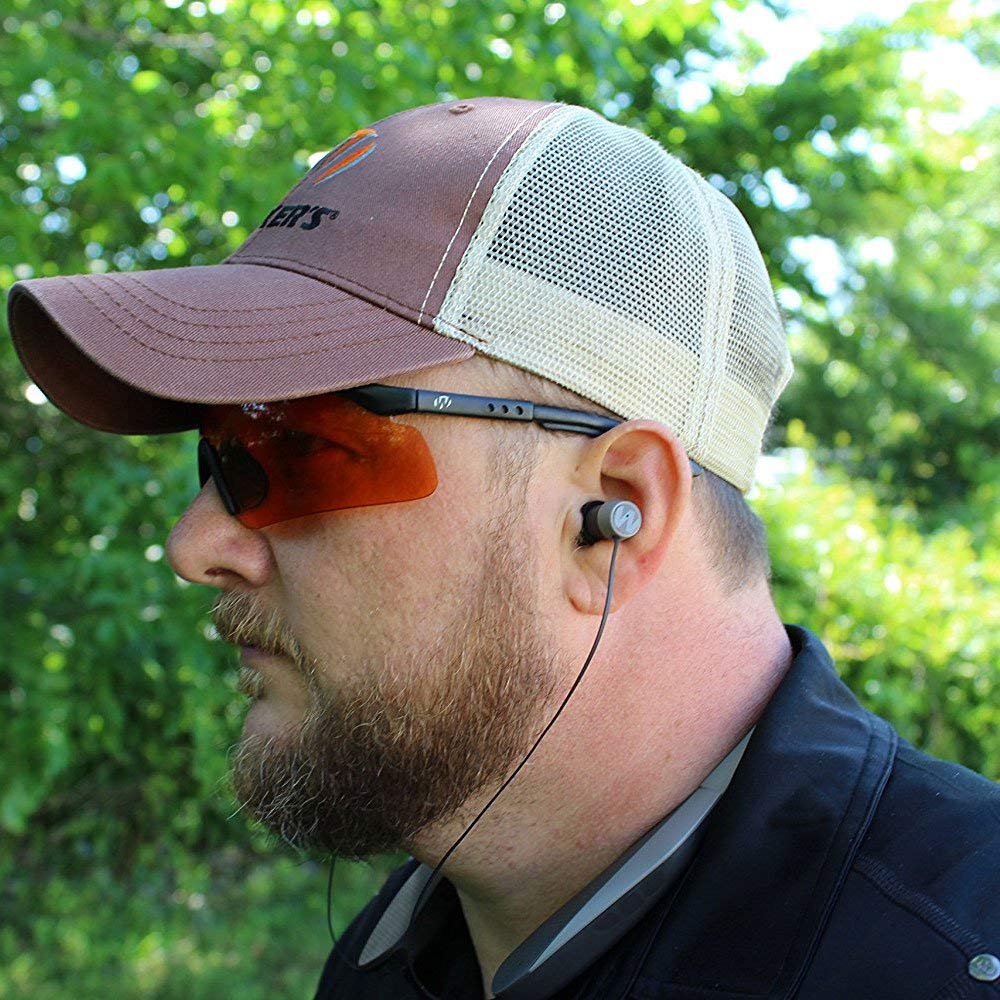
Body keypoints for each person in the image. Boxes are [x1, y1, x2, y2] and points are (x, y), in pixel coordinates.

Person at [7, 96, 998, 1000]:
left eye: (297, 448)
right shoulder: (394, 956)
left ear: (612, 509)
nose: (195, 544)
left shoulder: (949, 961)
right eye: (219, 452)